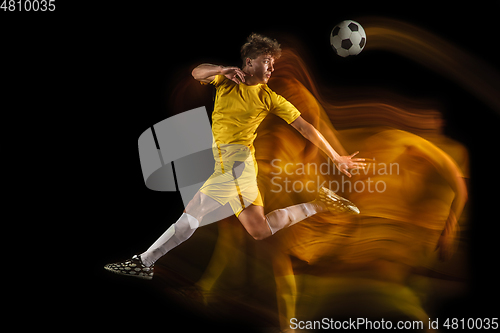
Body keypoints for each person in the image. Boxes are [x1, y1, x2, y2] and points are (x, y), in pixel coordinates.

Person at [104, 33, 366, 280]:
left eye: (273, 64)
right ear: (249, 63)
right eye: (267, 62)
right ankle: (321, 204)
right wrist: (220, 69)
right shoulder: (226, 81)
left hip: (236, 165)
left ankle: (144, 262)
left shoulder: (269, 98)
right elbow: (196, 72)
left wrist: (335, 156)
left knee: (193, 211)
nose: (272, 69)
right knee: (259, 229)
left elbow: (304, 126)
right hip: (237, 166)